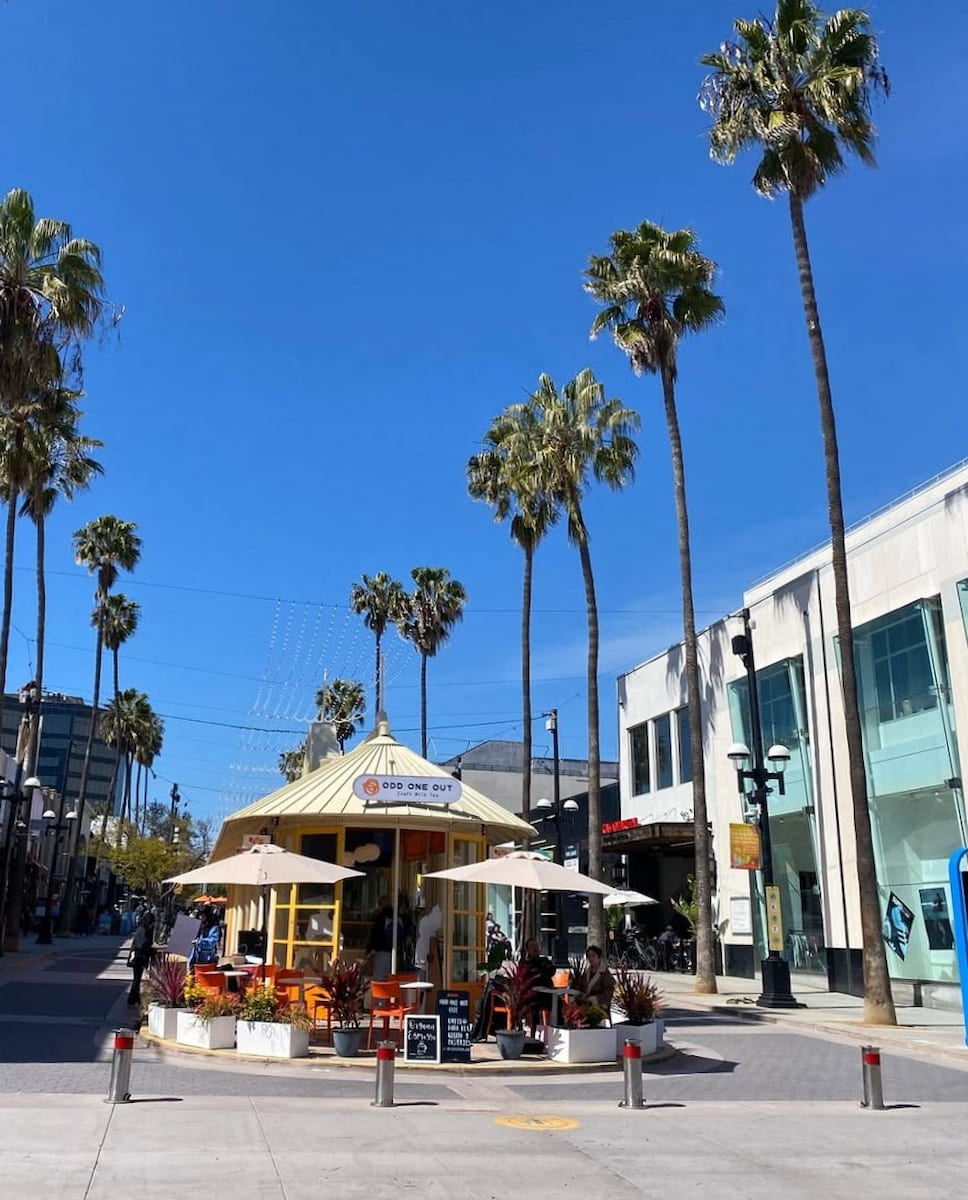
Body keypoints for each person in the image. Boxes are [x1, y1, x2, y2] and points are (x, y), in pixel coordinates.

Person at [367, 894, 402, 981]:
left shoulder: (380, 918)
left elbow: (375, 935)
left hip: (381, 952)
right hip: (395, 953)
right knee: (391, 979)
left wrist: (369, 950)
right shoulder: (398, 918)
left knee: (380, 980)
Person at [127, 912, 156, 1006]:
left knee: (137, 979)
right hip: (138, 958)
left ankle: (135, 998)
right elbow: (142, 945)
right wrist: (151, 951)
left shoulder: (142, 929)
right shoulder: (143, 931)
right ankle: (132, 999)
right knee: (136, 979)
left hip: (138, 957)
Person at [580, 945, 615, 1011]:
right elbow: (581, 986)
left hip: (600, 1006)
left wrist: (594, 999)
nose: (591, 959)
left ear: (599, 957)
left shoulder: (605, 973)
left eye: (593, 956)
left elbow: (608, 994)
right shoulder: (587, 972)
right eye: (589, 956)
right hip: (586, 1004)